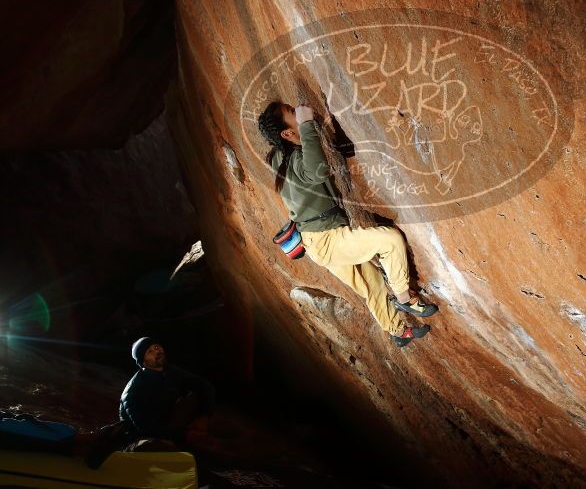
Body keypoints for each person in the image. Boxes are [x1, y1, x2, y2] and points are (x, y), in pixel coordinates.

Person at [258, 100, 438, 347]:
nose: (298, 111)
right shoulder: (294, 159)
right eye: (292, 113)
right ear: (287, 133)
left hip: (319, 241)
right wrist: (307, 124)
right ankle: (405, 298)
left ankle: (397, 331)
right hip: (326, 241)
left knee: (371, 284)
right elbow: (317, 171)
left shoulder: (280, 155)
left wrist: (301, 127)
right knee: (390, 240)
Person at [118, 337, 215, 451]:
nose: (156, 351)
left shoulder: (170, 372)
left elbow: (204, 386)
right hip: (139, 436)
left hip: (165, 425)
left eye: (156, 347)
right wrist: (184, 435)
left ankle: (183, 441)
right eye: (150, 351)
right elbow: (144, 427)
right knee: (155, 447)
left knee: (194, 396)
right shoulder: (133, 390)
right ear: (143, 362)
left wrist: (204, 415)